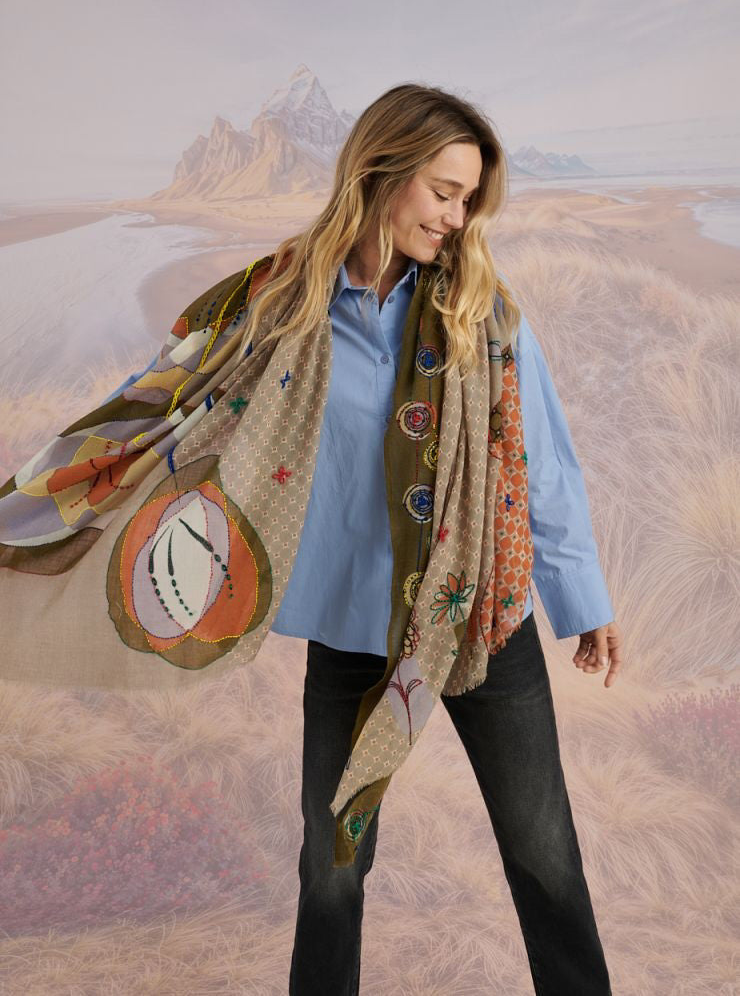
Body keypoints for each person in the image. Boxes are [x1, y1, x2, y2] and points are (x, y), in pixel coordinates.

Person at [102, 84, 622, 994]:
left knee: (546, 859)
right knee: (331, 874)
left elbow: (543, 466)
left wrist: (583, 603)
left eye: (469, 201)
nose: (457, 220)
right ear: (384, 172)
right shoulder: (282, 304)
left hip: (475, 618)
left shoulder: (486, 317)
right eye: (443, 193)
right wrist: (85, 500)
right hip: (354, 631)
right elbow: (180, 406)